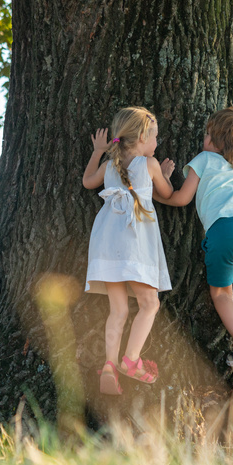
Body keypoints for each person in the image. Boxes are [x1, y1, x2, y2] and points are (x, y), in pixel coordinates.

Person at [155, 106, 233, 369]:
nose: (204, 138)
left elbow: (180, 198)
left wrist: (156, 189)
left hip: (225, 231)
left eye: (208, 134)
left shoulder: (203, 159)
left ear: (215, 141)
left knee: (222, 293)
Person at [82, 106, 175, 395]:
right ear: (143, 137)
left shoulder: (110, 166)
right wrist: (167, 175)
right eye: (155, 136)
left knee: (118, 309)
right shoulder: (150, 165)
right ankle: (131, 361)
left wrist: (98, 151)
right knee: (150, 304)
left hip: (107, 244)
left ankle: (109, 365)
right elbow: (168, 194)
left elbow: (87, 182)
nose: (157, 142)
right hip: (135, 246)